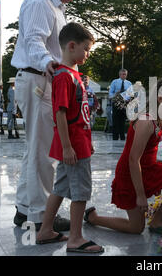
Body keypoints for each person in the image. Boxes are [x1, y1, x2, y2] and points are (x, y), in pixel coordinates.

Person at [11, 0, 82, 231]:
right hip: (37, 78)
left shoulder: (57, 8)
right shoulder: (40, 2)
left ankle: (23, 209)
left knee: (35, 149)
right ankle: (41, 216)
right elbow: (34, 40)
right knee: (43, 151)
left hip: (43, 79)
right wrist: (48, 63)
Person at [83, 77, 162, 234]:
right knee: (136, 228)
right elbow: (133, 160)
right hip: (131, 172)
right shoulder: (146, 121)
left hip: (149, 167)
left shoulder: (161, 117)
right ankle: (93, 218)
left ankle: (157, 221)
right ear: (161, 98)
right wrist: (141, 195)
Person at [36, 22, 103, 254]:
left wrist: (87, 140)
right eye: (86, 49)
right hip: (73, 146)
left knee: (60, 188)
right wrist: (67, 147)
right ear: (72, 46)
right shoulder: (65, 77)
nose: (87, 54)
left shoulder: (73, 75)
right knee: (81, 191)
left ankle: (45, 230)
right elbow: (60, 114)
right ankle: (75, 238)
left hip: (77, 142)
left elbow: (79, 113)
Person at [109, 69, 132, 140]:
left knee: (122, 120)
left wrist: (128, 98)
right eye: (122, 74)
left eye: (125, 74)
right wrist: (115, 94)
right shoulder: (115, 82)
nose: (124, 75)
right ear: (119, 74)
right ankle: (115, 137)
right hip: (116, 102)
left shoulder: (129, 83)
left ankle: (122, 136)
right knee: (115, 119)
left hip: (124, 103)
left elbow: (131, 93)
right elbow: (110, 93)